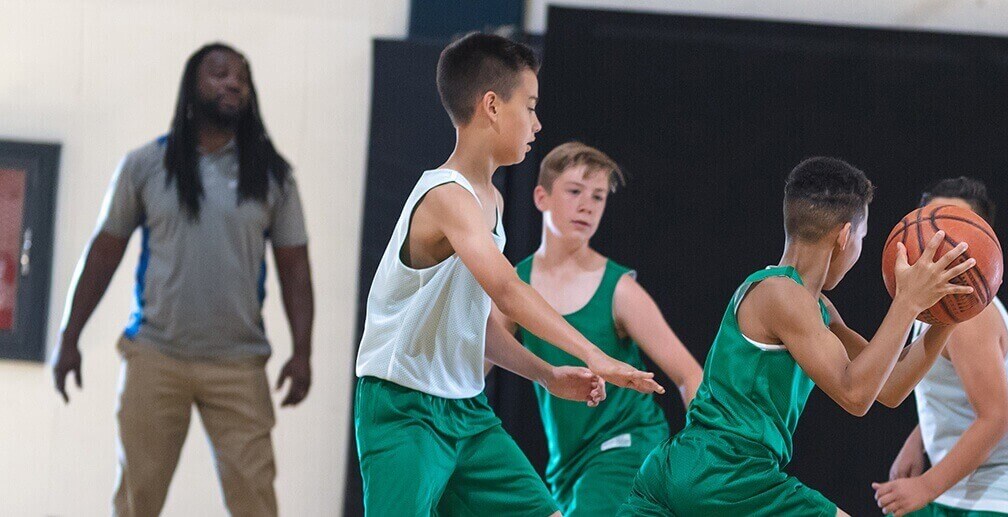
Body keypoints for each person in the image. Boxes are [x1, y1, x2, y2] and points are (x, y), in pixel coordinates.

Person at [351, 33, 662, 517]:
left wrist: (547, 374)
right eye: (531, 106)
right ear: (492, 106)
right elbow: (508, 290)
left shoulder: (491, 201)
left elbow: (474, 329)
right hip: (402, 409)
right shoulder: (447, 196)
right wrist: (593, 354)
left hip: (467, 413)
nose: (537, 123)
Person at [620, 157, 974, 516]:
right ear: (844, 236)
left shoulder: (812, 305)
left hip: (682, 470)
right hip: (726, 474)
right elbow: (855, 395)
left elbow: (889, 386)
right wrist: (908, 301)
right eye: (863, 237)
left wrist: (949, 314)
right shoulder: (780, 294)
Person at [52, 43, 313, 517]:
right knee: (136, 502)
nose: (233, 83)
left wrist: (303, 352)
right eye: (219, 73)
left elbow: (295, 267)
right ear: (193, 86)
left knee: (257, 503)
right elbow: (103, 254)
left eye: (243, 77)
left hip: (239, 364)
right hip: (155, 357)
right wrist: (69, 337)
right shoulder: (145, 166)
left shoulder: (274, 176)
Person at [494, 141, 704, 515]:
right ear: (541, 196)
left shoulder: (621, 290)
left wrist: (706, 453)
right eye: (574, 191)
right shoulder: (515, 287)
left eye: (599, 196)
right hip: (567, 468)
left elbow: (689, 374)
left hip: (628, 448)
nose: (587, 205)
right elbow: (472, 367)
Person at [878, 177, 1008, 517]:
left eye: (956, 226)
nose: (943, 238)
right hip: (961, 484)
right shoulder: (934, 304)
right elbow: (956, 388)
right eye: (935, 223)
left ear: (983, 241)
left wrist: (925, 486)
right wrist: (918, 439)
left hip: (1007, 490)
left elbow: (995, 418)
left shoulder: (969, 314)